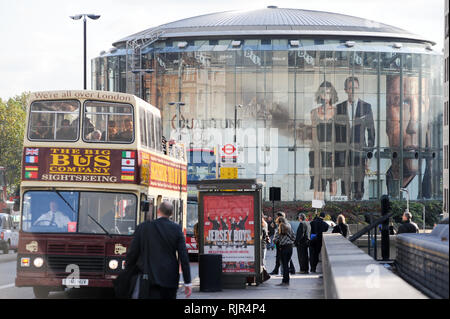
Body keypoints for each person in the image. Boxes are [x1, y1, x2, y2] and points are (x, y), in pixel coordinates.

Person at [125, 201, 191, 299]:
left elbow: (132, 253)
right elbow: (184, 257)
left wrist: (128, 271)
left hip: (148, 277)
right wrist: (187, 282)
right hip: (170, 278)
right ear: (171, 214)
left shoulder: (144, 227)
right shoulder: (176, 229)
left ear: (158, 211)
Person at [386, 75, 432, 198]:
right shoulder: (387, 175)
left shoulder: (431, 184)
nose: (413, 127)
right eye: (402, 102)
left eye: (422, 103)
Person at [336, 76, 375, 200]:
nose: (353, 91)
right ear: (346, 90)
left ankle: (358, 207)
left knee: (359, 184)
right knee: (344, 183)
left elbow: (371, 133)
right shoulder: (339, 108)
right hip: (344, 152)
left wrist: (369, 154)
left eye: (356, 88)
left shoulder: (366, 107)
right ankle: (345, 208)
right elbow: (336, 134)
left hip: (360, 152)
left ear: (358, 89)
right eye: (350, 88)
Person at [309, 81, 341, 200]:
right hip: (317, 151)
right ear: (319, 94)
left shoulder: (337, 111)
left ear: (332, 94)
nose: (325, 95)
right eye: (323, 93)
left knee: (332, 180)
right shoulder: (314, 112)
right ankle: (317, 210)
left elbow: (339, 134)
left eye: (328, 92)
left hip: (332, 151)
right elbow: (314, 135)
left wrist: (335, 153)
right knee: (318, 183)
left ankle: (333, 208)